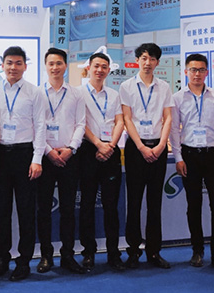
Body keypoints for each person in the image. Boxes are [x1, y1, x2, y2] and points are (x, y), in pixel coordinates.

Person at [0, 46, 46, 281]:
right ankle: (2, 259)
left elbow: (40, 126)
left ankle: (24, 261)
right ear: (2, 65)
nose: (13, 67)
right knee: (2, 211)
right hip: (1, 155)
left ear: (25, 66)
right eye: (9, 63)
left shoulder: (34, 92)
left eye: (18, 63)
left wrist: (37, 159)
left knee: (26, 211)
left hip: (25, 155)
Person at [170, 54, 214, 273]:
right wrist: (178, 158)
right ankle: (197, 250)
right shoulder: (177, 98)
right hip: (190, 155)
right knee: (193, 204)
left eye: (201, 70)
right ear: (186, 72)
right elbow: (174, 130)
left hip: (213, 154)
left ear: (207, 72)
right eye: (193, 70)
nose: (197, 74)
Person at [120, 43, 174, 269]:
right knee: (133, 202)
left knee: (155, 203)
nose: (147, 62)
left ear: (157, 62)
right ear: (137, 60)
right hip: (136, 149)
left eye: (152, 59)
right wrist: (141, 147)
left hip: (158, 148)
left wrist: (161, 145)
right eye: (143, 58)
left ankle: (154, 251)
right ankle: (133, 251)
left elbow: (168, 117)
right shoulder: (126, 86)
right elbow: (127, 118)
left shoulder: (164, 87)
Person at [37, 48, 85, 275]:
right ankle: (46, 255)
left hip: (69, 158)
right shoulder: (37, 94)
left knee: (68, 209)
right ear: (45, 66)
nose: (55, 67)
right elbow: (34, 126)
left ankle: (68, 255)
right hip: (44, 157)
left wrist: (71, 149)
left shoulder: (76, 94)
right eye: (51, 63)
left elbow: (81, 124)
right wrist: (48, 151)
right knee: (43, 209)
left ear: (65, 66)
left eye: (59, 63)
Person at [79, 51, 125, 272]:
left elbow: (119, 121)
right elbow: (80, 123)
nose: (100, 70)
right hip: (88, 151)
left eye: (104, 67)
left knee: (111, 206)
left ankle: (113, 253)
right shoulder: (78, 93)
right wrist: (98, 144)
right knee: (87, 204)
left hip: (111, 151)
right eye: (96, 66)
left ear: (108, 70)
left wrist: (110, 146)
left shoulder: (114, 95)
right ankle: (88, 252)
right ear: (89, 67)